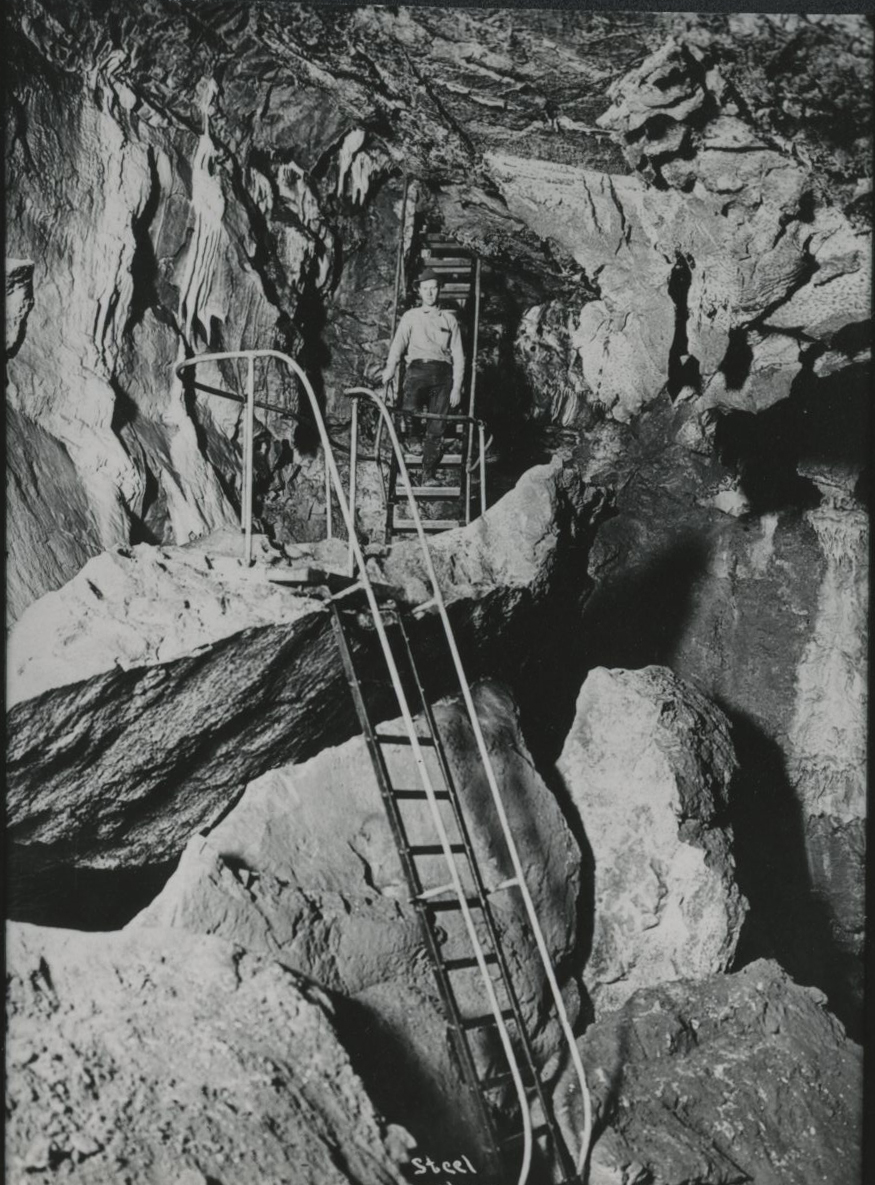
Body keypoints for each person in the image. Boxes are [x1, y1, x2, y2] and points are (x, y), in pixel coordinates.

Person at [381, 268, 465, 483]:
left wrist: (457, 387)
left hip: (443, 374)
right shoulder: (410, 317)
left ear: (440, 290)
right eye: (425, 289)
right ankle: (412, 440)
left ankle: (428, 472)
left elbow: (458, 355)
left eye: (434, 288)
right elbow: (398, 344)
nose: (429, 293)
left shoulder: (449, 320)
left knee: (437, 425)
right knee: (409, 408)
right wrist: (390, 367)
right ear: (419, 291)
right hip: (417, 369)